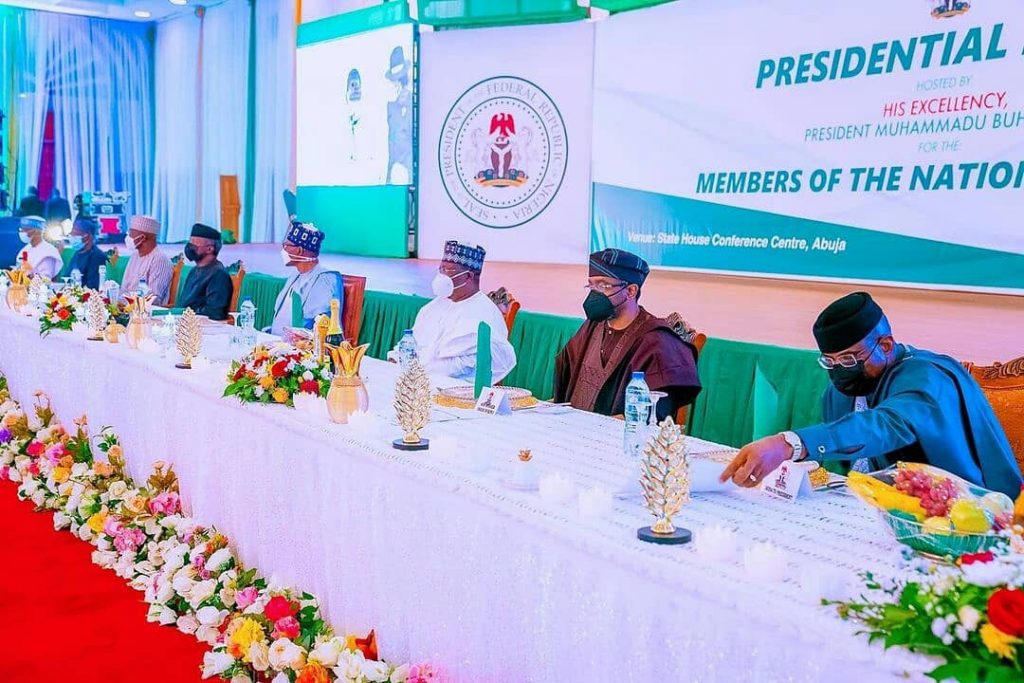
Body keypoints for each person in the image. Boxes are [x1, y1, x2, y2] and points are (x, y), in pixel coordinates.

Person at [720, 292, 1023, 498]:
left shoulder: (927, 377)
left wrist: (788, 444)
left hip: (970, 512)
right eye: (830, 362)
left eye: (850, 359)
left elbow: (883, 425)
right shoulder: (840, 390)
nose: (840, 370)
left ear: (886, 346)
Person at [553, 249, 702, 420]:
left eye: (602, 285)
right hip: (571, 426)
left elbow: (651, 414)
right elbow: (565, 390)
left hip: (617, 433)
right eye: (591, 285)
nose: (594, 293)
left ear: (631, 290)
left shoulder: (657, 341)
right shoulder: (592, 326)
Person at [388, 241, 516, 384]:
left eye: (448, 271)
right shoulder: (434, 306)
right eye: (441, 269)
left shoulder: (484, 314)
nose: (441, 276)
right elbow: (410, 342)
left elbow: (458, 367)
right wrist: (395, 359)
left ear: (468, 276)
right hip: (414, 379)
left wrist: (417, 373)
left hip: (451, 388)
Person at [269, 221, 341, 337]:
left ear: (299, 250)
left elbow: (321, 327)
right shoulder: (295, 276)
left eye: (287, 246)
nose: (284, 250)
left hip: (302, 346)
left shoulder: (325, 280)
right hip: (277, 342)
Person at [177, 223, 233, 321]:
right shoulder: (194, 271)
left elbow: (214, 313)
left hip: (202, 325)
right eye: (190, 241)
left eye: (195, 242)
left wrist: (185, 314)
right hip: (184, 321)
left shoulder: (218, 275)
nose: (190, 246)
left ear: (209, 249)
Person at [120, 215, 174, 305]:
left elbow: (154, 299)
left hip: (146, 311)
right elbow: (124, 289)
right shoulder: (135, 256)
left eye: (131, 234)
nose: (128, 238)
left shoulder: (159, 259)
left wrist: (127, 304)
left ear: (142, 238)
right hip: (126, 308)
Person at [66, 216, 109, 290]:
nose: (72, 236)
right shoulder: (78, 253)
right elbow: (67, 278)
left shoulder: (97, 257)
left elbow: (93, 287)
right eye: (72, 233)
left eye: (76, 234)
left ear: (88, 236)